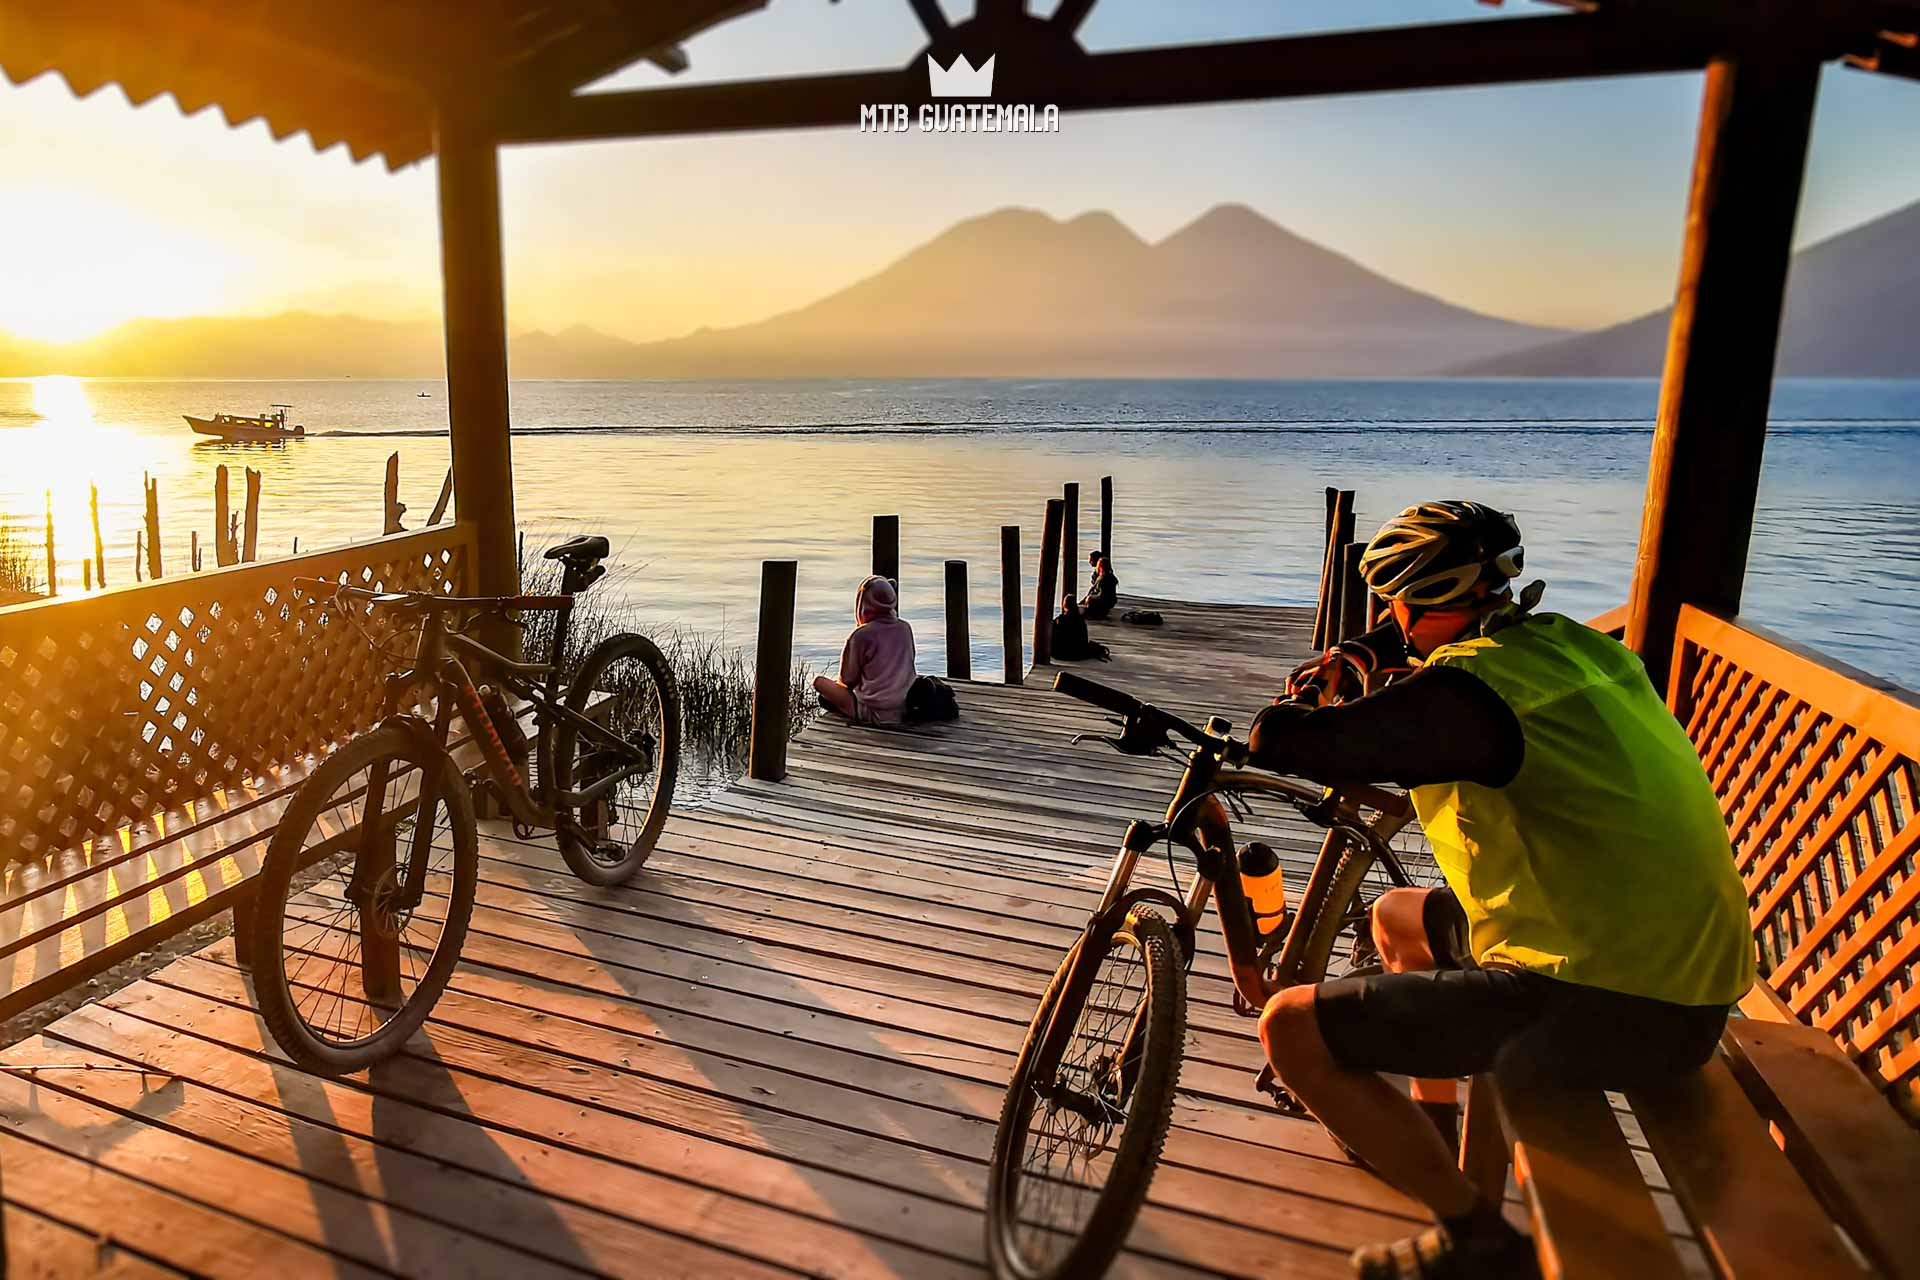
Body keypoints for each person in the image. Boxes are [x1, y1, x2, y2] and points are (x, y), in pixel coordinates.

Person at [1244, 500, 1755, 1280]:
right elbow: (1420, 656)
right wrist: (1360, 651)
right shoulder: (1566, 646)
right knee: (1397, 917)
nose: (1390, 618)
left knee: (1291, 1030)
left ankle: (1477, 1241)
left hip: (1611, 1003)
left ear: (1421, 600)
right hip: (1679, 974)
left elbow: (1292, 743)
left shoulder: (1467, 697)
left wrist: (1302, 703)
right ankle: (1435, 1134)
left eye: (1394, 605)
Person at [813, 575, 916, 725]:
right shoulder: (905, 628)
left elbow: (847, 680)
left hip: (872, 711)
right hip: (904, 708)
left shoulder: (861, 635)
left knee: (819, 683)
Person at [1082, 550, 1119, 620]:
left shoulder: (1105, 578)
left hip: (1105, 600)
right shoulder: (1103, 576)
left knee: (1090, 599)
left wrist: (1089, 598)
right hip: (1108, 600)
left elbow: (1103, 594)